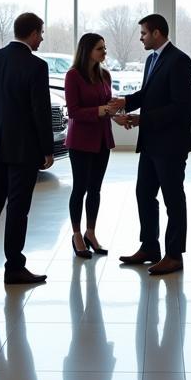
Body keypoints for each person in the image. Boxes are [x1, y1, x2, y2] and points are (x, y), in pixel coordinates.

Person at [0, 11, 53, 286]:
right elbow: (40, 112)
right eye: (40, 33)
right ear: (32, 33)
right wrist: (47, 149)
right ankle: (15, 267)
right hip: (24, 147)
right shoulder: (36, 66)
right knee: (18, 207)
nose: (41, 38)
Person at [114, 13, 191, 275]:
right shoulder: (152, 59)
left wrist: (142, 119)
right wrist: (125, 103)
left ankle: (174, 255)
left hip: (171, 143)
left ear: (157, 33)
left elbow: (180, 107)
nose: (141, 38)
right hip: (151, 141)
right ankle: (150, 247)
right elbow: (149, 94)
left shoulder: (180, 61)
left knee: (173, 198)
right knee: (144, 194)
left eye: (143, 33)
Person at [64, 33, 124, 258]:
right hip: (80, 141)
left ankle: (91, 232)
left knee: (95, 189)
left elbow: (108, 105)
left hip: (102, 139)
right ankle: (77, 234)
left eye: (105, 48)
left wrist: (117, 115)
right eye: (100, 48)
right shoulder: (73, 76)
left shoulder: (104, 75)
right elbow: (73, 111)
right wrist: (99, 111)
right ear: (87, 50)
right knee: (79, 188)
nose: (104, 52)